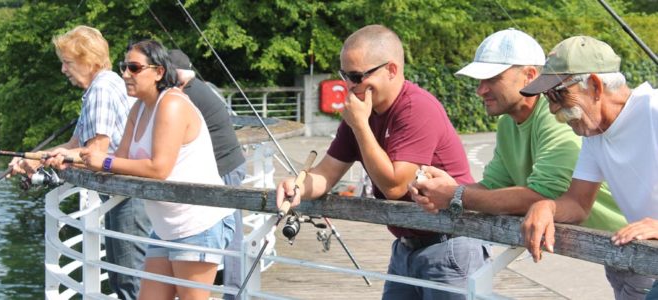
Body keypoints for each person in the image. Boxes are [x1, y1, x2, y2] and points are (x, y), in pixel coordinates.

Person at [407, 29, 641, 298]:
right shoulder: (514, 123)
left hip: (639, 246)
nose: (480, 89)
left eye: (492, 78)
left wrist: (456, 195)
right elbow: (497, 188)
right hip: (619, 250)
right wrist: (444, 190)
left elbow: (545, 192)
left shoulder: (569, 119)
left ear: (531, 75)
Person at [275, 24, 488, 299]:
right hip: (406, 247)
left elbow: (395, 186)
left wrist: (360, 126)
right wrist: (298, 186)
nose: (350, 86)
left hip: (449, 245)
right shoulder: (361, 114)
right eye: (344, 76)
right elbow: (327, 172)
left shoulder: (415, 108)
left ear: (391, 70)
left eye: (357, 76)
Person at [78, 39, 235, 300]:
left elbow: (158, 168)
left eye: (134, 68)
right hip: (165, 228)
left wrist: (103, 162)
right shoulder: (138, 108)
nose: (126, 74)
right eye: (124, 67)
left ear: (159, 72)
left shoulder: (172, 104)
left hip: (197, 224)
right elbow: (121, 159)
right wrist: (67, 157)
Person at [9, 25, 147, 300]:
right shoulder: (101, 87)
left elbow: (95, 152)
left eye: (67, 62)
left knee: (131, 282)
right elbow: (74, 146)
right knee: (124, 278)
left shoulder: (102, 91)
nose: (63, 69)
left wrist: (46, 161)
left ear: (89, 60)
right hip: (122, 194)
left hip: (129, 196)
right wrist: (32, 159)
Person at [519, 36, 657, 300]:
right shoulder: (595, 135)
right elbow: (578, 203)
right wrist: (545, 206)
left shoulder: (653, 111)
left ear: (594, 84)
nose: (552, 109)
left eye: (558, 94)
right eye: (548, 97)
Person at [169, 49, 247, 299]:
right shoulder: (198, 88)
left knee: (230, 233)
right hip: (228, 165)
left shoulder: (186, 97)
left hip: (224, 169)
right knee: (229, 231)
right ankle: (234, 291)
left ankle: (234, 292)